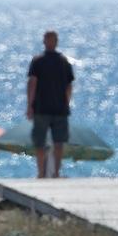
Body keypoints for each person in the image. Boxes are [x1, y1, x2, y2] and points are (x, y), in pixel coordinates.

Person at [25, 29, 75, 179]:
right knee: (58, 143)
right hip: (59, 108)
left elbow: (32, 84)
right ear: (56, 42)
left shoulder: (38, 61)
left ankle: (41, 173)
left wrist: (29, 105)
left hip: (41, 108)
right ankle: (56, 173)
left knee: (40, 143)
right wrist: (67, 102)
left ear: (44, 41)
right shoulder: (64, 61)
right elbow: (69, 86)